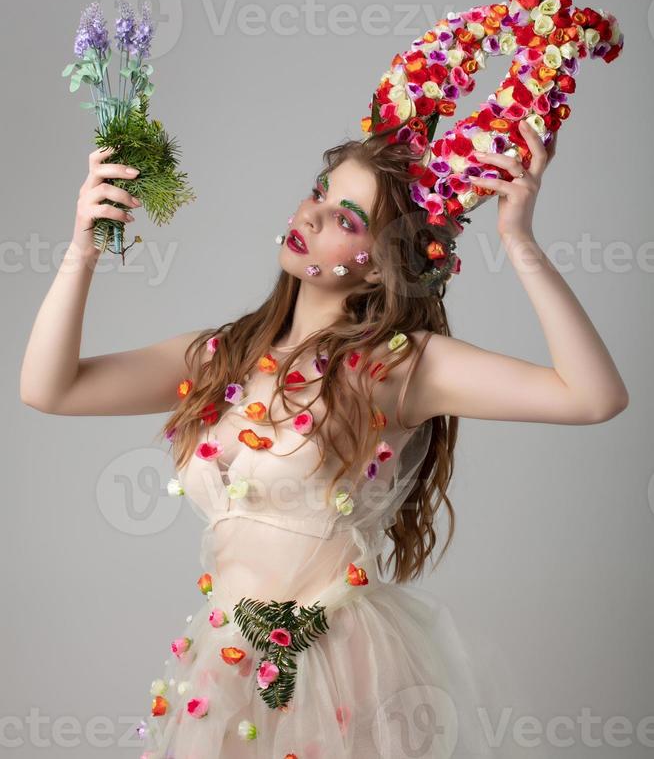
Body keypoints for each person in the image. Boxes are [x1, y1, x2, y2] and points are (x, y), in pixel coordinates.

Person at [20, 123, 629, 758]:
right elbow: (49, 388)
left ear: (381, 269)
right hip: (225, 663)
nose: (310, 213)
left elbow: (592, 396)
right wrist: (81, 250)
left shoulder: (394, 367)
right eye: (318, 193)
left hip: (339, 665)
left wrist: (518, 240)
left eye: (345, 218)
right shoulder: (220, 357)